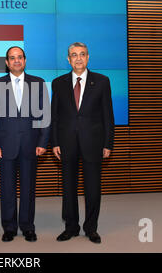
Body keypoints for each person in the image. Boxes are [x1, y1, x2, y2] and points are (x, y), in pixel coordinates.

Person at [51, 42, 114, 244]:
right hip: (66, 142)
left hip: (93, 142)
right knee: (68, 187)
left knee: (93, 188)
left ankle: (91, 228)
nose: (78, 58)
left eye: (82, 54)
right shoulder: (58, 82)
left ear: (88, 57)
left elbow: (108, 115)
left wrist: (108, 143)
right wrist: (54, 142)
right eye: (74, 55)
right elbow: (55, 116)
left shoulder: (102, 81)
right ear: (68, 59)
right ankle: (71, 227)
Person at [0, 46, 50, 242]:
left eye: (19, 57)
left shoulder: (38, 83)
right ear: (7, 62)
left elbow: (44, 116)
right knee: (7, 189)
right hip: (5, 146)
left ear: (25, 60)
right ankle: (9, 227)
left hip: (31, 144)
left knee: (28, 189)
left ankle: (28, 226)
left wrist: (42, 141)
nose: (16, 61)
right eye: (12, 58)